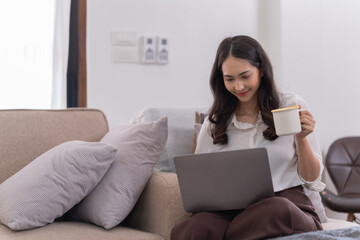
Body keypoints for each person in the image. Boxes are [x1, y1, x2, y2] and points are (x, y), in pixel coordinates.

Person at [170, 35, 325, 240]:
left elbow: (312, 179)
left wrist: (301, 138)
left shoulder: (290, 105)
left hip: (287, 206)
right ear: (221, 78)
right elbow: (201, 184)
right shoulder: (215, 122)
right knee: (198, 226)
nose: (239, 87)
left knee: (277, 210)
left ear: (260, 70)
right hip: (230, 212)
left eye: (245, 76)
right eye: (230, 79)